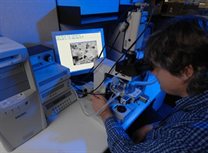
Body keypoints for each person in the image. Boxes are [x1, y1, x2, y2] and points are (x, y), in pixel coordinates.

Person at [91, 15, 208, 153]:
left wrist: (105, 113)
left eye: (158, 67)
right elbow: (178, 121)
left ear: (185, 72)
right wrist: (152, 127)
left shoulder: (186, 141)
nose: (153, 73)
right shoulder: (197, 104)